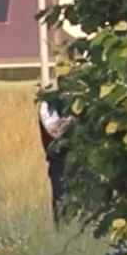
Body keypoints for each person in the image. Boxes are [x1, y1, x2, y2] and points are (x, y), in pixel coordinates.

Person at [37, 93, 73, 223]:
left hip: (86, 165)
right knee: (61, 201)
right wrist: (72, 121)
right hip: (60, 165)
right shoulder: (49, 104)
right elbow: (55, 131)